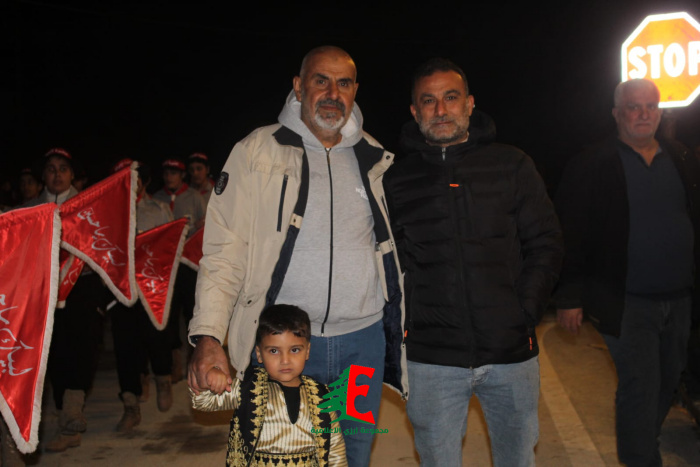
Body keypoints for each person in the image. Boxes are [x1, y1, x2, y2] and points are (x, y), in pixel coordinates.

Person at [187, 45, 406, 467]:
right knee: (280, 455)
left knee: (352, 454)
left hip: (360, 348)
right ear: (299, 86)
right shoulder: (257, 151)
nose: (332, 93)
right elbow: (224, 253)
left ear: (355, 90)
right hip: (283, 349)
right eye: (321, 80)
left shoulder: (373, 155)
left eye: (343, 83)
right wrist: (209, 335)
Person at [383, 58, 563, 467]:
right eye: (428, 101)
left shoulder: (512, 165)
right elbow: (391, 263)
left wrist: (524, 312)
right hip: (431, 359)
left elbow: (546, 243)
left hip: (510, 354)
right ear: (414, 111)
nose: (440, 110)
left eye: (451, 98)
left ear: (469, 104)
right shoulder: (396, 179)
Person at [554, 78, 700, 466]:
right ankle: (642, 458)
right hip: (626, 301)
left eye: (651, 106)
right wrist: (569, 297)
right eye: (634, 107)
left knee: (668, 381)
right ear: (617, 114)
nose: (644, 114)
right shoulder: (592, 164)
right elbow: (571, 233)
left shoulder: (682, 158)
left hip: (679, 298)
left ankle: (642, 442)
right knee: (640, 385)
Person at [191, 305, 347, 466]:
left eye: (294, 350)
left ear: (307, 351)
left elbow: (335, 448)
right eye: (274, 351)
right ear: (259, 354)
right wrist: (210, 379)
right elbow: (204, 401)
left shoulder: (322, 396)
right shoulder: (248, 389)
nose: (285, 360)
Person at [24, 148, 106, 452]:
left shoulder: (88, 207)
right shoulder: (29, 210)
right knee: (53, 351)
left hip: (83, 286)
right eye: (51, 169)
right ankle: (66, 418)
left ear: (72, 174)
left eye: (63, 168)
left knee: (84, 345)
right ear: (43, 175)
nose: (57, 174)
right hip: (44, 290)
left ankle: (72, 412)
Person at [108, 159, 175, 432]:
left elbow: (171, 246)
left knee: (156, 338)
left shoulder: (158, 209)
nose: (128, 183)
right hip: (120, 290)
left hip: (152, 288)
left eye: (133, 178)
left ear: (143, 182)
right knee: (125, 348)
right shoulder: (109, 213)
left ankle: (163, 379)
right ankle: (130, 405)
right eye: (121, 178)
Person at [153, 158, 206, 381]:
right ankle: (174, 359)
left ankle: (194, 358)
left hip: (189, 266)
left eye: (174, 173)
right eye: (166, 173)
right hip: (167, 266)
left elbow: (205, 224)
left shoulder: (194, 197)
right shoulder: (157, 198)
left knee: (192, 311)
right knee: (169, 313)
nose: (169, 177)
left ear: (182, 175)